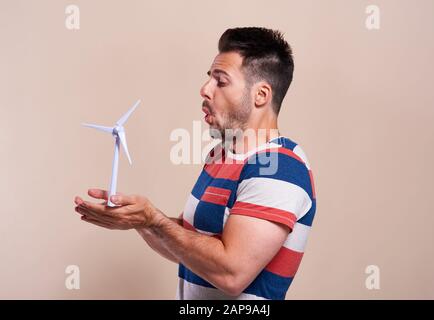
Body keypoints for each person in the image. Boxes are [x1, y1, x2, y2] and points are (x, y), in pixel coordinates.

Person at [74, 27, 316, 300]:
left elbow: (231, 273)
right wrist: (139, 221)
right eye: (208, 79)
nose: (205, 90)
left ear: (260, 95)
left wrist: (153, 219)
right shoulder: (220, 156)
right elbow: (189, 249)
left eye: (221, 81)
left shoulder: (281, 167)